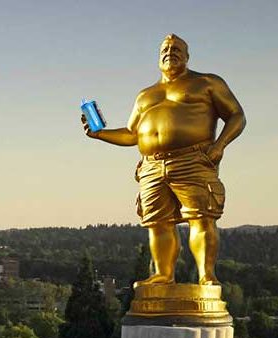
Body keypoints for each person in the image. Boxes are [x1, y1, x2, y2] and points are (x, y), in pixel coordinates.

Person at [82, 34, 245, 286]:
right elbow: (131, 134)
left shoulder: (206, 82)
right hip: (151, 165)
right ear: (158, 57)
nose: (171, 51)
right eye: (165, 49)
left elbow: (236, 115)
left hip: (193, 158)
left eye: (177, 48)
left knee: (201, 217)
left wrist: (219, 145)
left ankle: (206, 275)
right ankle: (163, 275)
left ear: (188, 56)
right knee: (157, 223)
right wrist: (100, 133)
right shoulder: (145, 95)